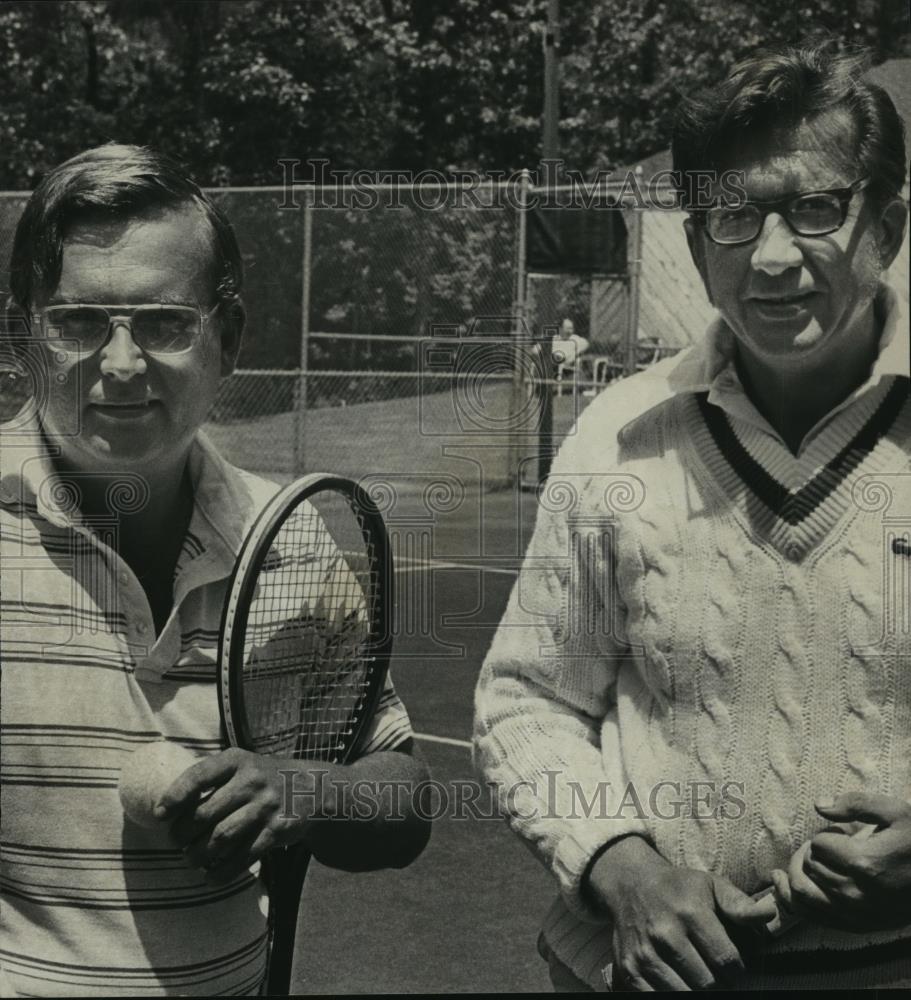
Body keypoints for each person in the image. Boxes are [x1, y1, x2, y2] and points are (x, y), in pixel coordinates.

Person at [474, 40, 910, 991]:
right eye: (730, 217)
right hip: (645, 976)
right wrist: (618, 867)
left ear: (887, 225)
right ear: (691, 245)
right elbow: (525, 700)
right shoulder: (614, 438)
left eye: (814, 208)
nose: (770, 256)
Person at [0, 144, 431, 996]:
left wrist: (304, 794)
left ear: (225, 340)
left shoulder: (293, 541)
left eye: (164, 323)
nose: (121, 365)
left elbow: (405, 798)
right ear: (27, 338)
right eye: (81, 322)